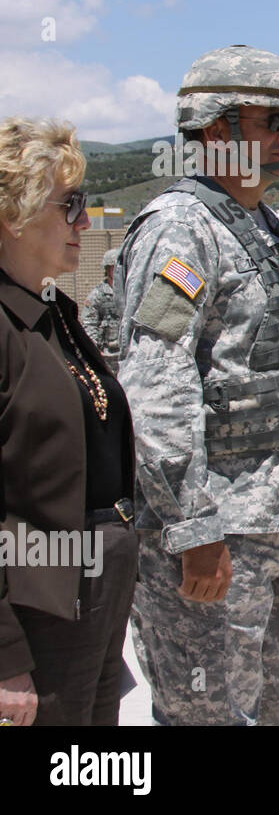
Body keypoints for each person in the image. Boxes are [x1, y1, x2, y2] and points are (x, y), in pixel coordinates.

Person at [119, 45, 279, 725]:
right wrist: (193, 531)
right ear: (216, 130)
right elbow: (157, 385)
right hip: (216, 536)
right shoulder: (181, 229)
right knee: (208, 712)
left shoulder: (265, 227)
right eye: (272, 119)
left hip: (273, 525)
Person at [0, 117, 136, 726]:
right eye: (70, 205)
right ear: (13, 213)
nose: (85, 222)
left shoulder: (54, 312)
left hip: (95, 587)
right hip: (37, 603)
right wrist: (4, 658)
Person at [81, 247, 121, 372]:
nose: (118, 271)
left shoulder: (129, 291)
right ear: (108, 269)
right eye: (114, 268)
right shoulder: (98, 294)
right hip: (107, 353)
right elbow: (89, 322)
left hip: (128, 351)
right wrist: (93, 347)